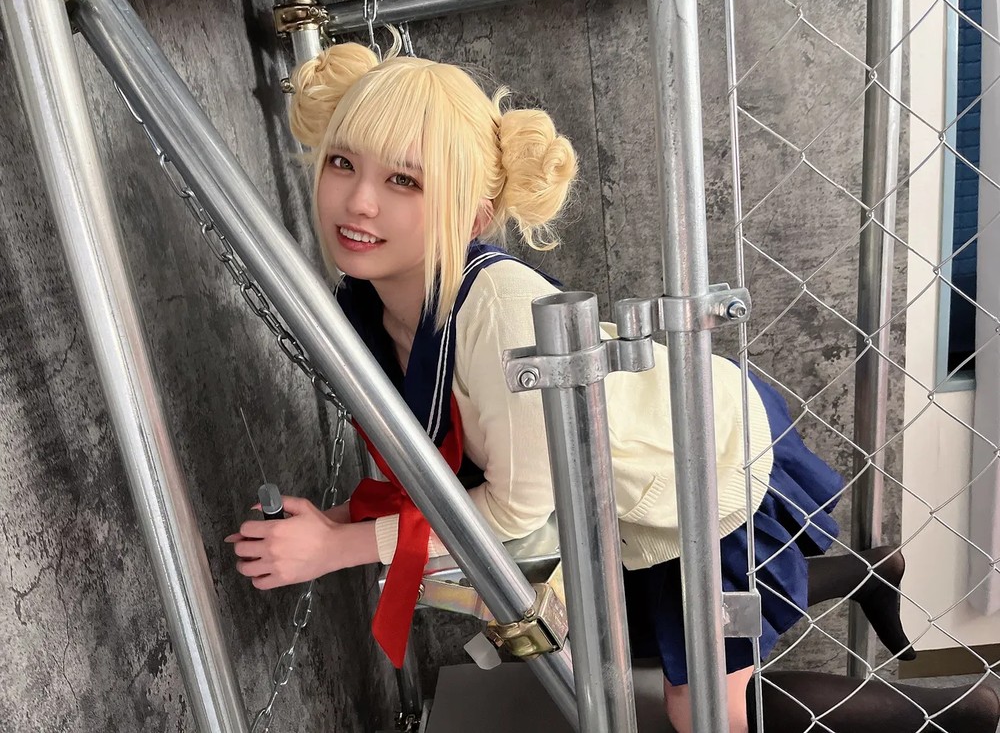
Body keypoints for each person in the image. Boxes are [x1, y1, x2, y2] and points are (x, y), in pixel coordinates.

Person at [225, 38, 1000, 733]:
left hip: (708, 469)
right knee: (641, 640)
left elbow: (514, 511)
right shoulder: (368, 300)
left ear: (474, 214)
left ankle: (959, 709)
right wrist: (331, 526)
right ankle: (868, 569)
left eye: (405, 180)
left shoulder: (497, 313)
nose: (360, 201)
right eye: (343, 162)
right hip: (636, 495)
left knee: (704, 709)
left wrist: (338, 546)